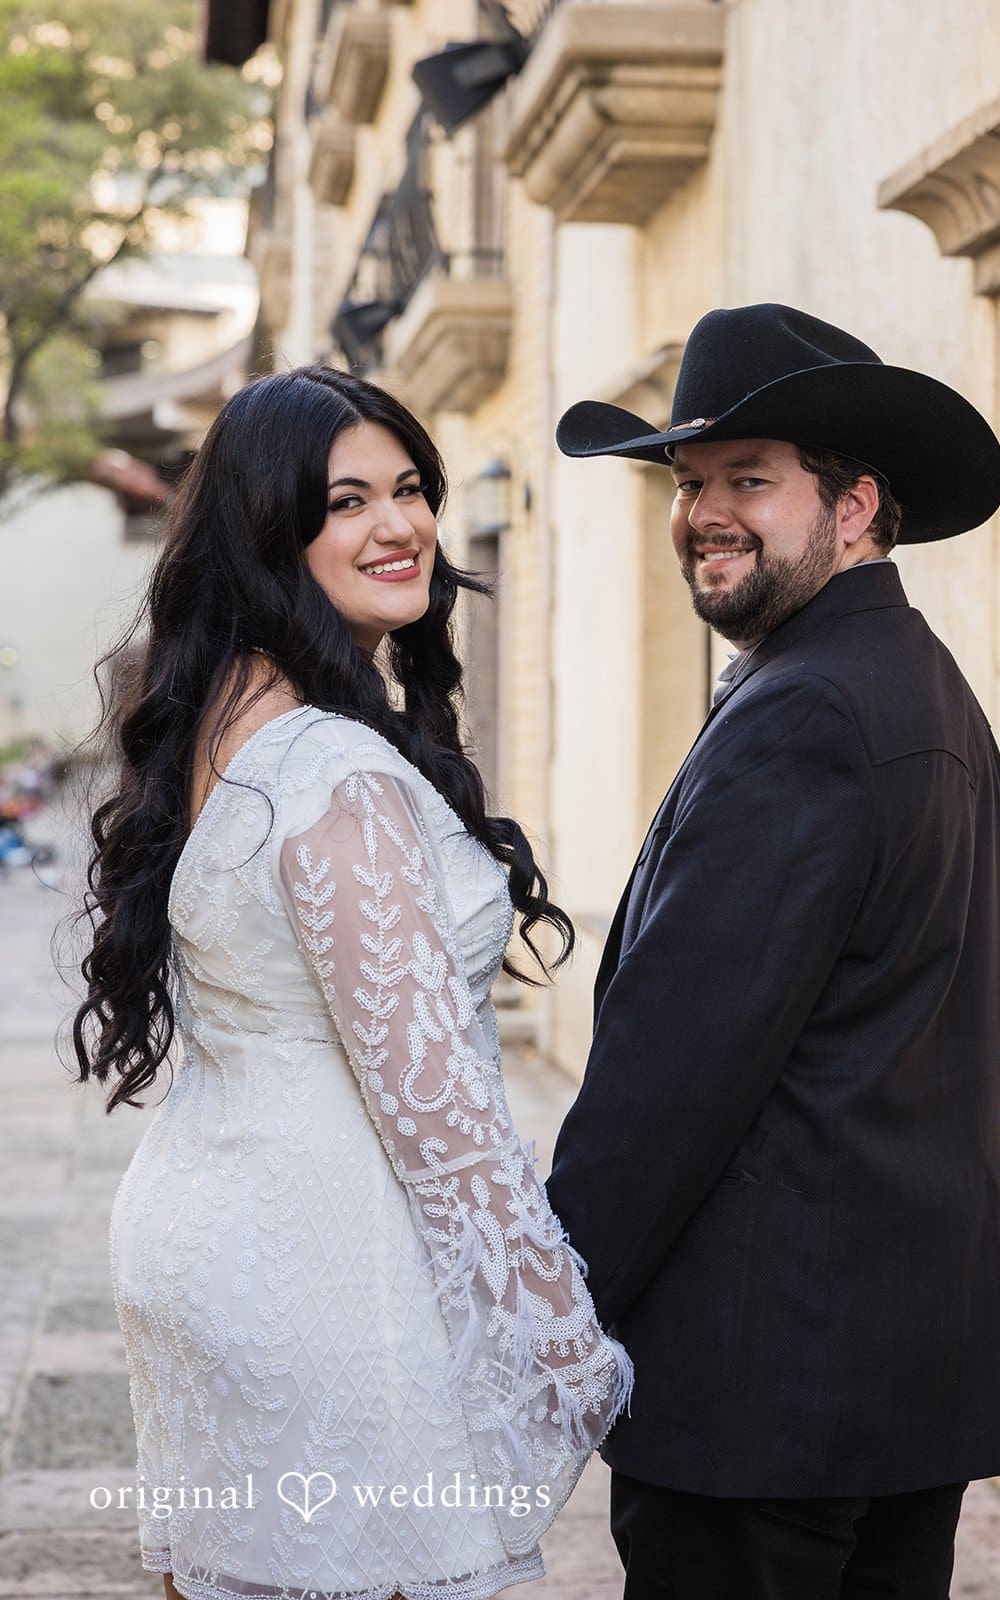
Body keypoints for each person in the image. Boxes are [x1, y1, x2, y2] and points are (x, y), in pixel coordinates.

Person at [74, 366, 632, 1600]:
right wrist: (564, 1342)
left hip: (208, 1233)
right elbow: (435, 1108)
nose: (399, 525)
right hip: (328, 1274)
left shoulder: (222, 713)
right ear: (269, 532)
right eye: (346, 501)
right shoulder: (334, 772)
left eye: (411, 488)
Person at [546, 303, 1000, 1599]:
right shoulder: (916, 680)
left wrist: (542, 1309)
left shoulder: (806, 709)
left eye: (747, 480)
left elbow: (672, 1073)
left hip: (763, 1392)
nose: (703, 513)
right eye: (686, 481)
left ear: (853, 507)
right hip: (896, 1378)